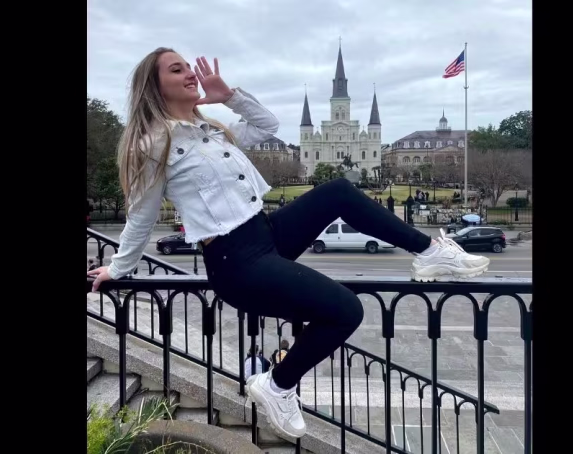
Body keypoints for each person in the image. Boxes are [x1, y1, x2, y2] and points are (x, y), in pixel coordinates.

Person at [86, 48, 490, 439]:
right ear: (154, 87)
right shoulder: (152, 145)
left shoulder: (210, 130)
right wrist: (119, 267)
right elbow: (141, 214)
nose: (190, 72)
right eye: (176, 69)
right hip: (234, 261)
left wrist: (230, 97)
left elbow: (268, 126)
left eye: (188, 66)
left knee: (337, 192)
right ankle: (278, 384)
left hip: (264, 234)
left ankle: (430, 253)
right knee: (345, 310)